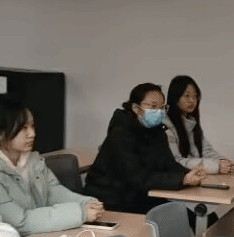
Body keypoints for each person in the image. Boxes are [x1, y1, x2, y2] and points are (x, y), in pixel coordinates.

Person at [0, 94, 104, 235]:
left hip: (40, 236)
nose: (32, 134)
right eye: (24, 128)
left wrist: (86, 203)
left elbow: (52, 192)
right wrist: (80, 213)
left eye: (32, 126)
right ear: (0, 132)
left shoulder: (31, 159)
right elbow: (19, 222)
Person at [84, 83, 205, 214]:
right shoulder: (120, 134)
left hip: (139, 196)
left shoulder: (158, 132)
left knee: (196, 214)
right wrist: (182, 180)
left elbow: (168, 164)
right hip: (111, 200)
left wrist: (188, 174)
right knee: (182, 215)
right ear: (136, 108)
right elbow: (137, 177)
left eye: (162, 107)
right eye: (153, 106)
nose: (159, 112)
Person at [164, 75, 234, 175]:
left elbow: (206, 151)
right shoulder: (166, 126)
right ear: (175, 98)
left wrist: (223, 161)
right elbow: (177, 161)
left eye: (195, 96)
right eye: (187, 95)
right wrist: (216, 166)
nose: (192, 100)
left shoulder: (191, 123)